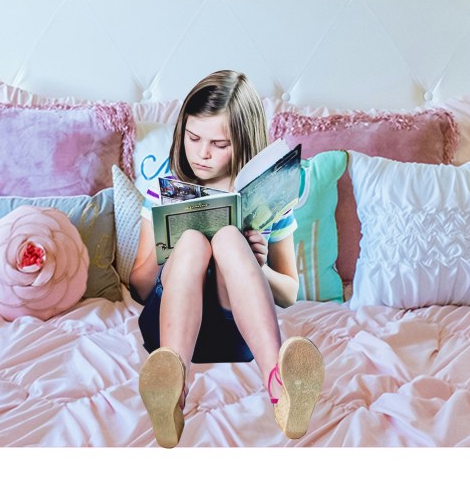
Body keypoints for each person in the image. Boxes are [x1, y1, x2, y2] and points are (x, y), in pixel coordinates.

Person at [129, 70, 325, 448]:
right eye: (193, 138)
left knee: (229, 239)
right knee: (192, 243)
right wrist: (165, 241)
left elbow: (288, 293)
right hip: (167, 332)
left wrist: (261, 266)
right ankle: (173, 392)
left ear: (243, 142)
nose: (202, 153)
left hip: (238, 331)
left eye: (219, 143)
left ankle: (280, 388)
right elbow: (138, 288)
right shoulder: (162, 190)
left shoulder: (266, 198)